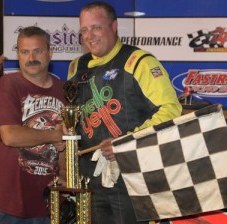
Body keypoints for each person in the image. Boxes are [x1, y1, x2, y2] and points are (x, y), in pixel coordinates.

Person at [67, 2, 182, 224]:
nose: (89, 36)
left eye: (96, 27)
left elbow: (171, 110)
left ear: (114, 26)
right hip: (90, 178)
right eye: (84, 30)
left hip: (133, 176)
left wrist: (127, 142)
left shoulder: (139, 62)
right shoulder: (76, 67)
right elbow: (74, 118)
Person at [0, 26, 67, 224]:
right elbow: (10, 136)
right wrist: (53, 136)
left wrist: (65, 174)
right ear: (18, 55)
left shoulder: (65, 91)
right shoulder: (8, 84)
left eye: (38, 51)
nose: (31, 58)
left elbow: (67, 138)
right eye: (25, 52)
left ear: (50, 53)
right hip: (8, 204)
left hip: (49, 200)